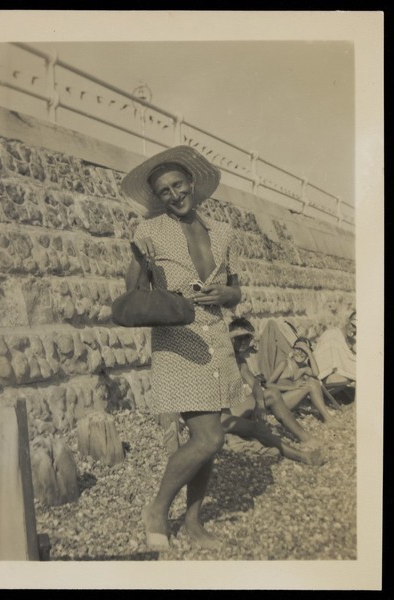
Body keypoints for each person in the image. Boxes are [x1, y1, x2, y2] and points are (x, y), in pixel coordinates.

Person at [121, 145, 245, 551]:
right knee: (209, 438)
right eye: (164, 191)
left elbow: (237, 290)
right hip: (179, 343)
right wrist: (151, 276)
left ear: (192, 183)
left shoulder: (223, 233)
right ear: (157, 198)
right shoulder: (150, 232)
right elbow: (133, 290)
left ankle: (192, 522)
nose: (173, 195)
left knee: (211, 435)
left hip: (217, 342)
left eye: (178, 185)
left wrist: (227, 292)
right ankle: (157, 509)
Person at [221, 317, 326, 465]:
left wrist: (260, 404)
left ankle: (305, 437)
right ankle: (302, 456)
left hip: (234, 407)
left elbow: (256, 384)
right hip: (219, 413)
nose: (243, 343)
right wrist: (231, 335)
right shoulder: (220, 355)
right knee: (258, 428)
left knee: (272, 394)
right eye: (239, 338)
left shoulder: (240, 361)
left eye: (247, 338)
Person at [265, 336, 338, 426]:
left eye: (304, 350)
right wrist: (291, 387)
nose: (300, 353)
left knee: (313, 381)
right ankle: (329, 419)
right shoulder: (284, 364)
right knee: (310, 384)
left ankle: (327, 418)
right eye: (298, 349)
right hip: (277, 403)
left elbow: (315, 373)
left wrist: (309, 352)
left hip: (289, 402)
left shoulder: (303, 368)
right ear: (293, 350)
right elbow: (268, 384)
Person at [313, 310, 356, 386]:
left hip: (343, 377)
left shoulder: (353, 341)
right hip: (328, 379)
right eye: (353, 325)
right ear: (347, 321)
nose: (354, 330)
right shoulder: (332, 335)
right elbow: (323, 371)